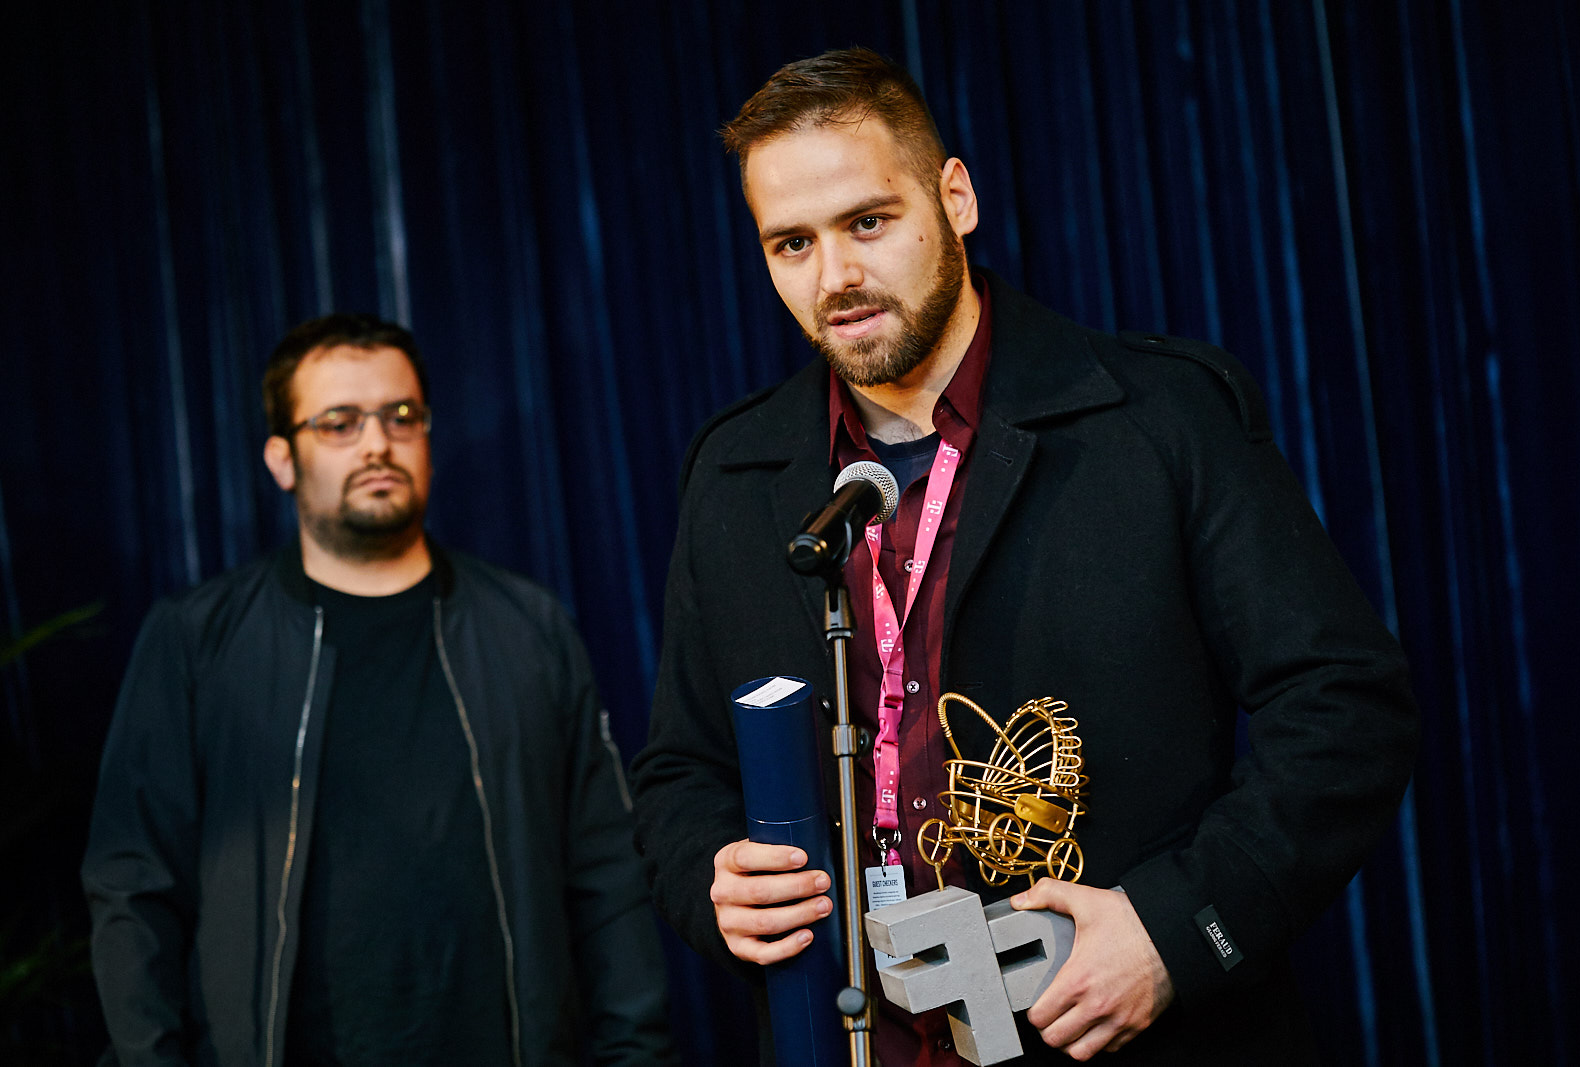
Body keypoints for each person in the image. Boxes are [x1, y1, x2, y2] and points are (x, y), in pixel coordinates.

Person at [630, 48, 1418, 1065]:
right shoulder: (734, 471)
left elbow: (1346, 706)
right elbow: (680, 773)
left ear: (954, 198)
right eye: (792, 243)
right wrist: (714, 877)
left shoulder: (1159, 416)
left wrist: (1176, 928)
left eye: (868, 222)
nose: (835, 278)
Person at [82, 314, 677, 1066]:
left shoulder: (529, 627)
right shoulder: (196, 641)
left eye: (400, 416)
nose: (376, 444)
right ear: (282, 458)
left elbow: (608, 876)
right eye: (339, 423)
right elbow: (133, 886)